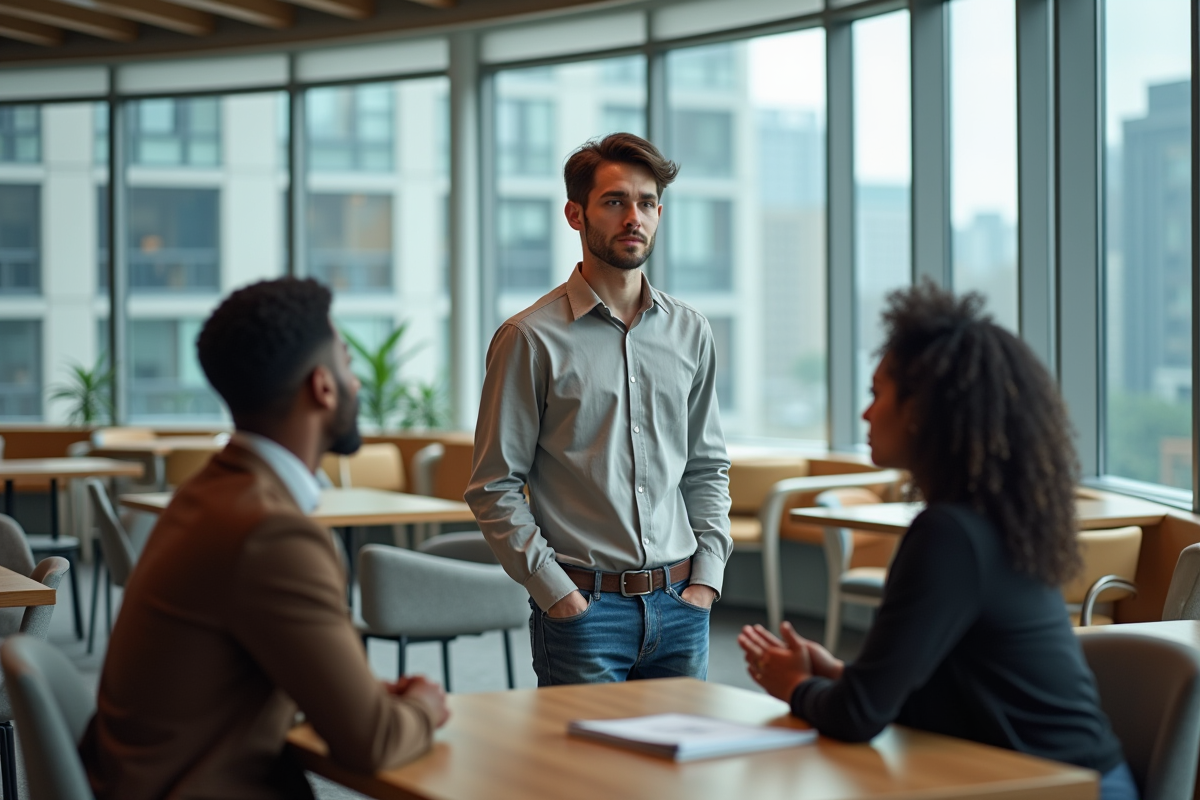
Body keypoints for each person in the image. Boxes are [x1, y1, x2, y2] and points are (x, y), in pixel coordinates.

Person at [738, 282, 1138, 800]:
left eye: (877, 394)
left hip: (1067, 790)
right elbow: (932, 691)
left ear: (920, 410)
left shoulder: (950, 534)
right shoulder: (988, 522)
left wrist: (793, 685)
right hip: (1053, 780)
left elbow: (858, 717)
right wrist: (836, 674)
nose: (865, 414)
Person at [80, 277, 449, 800]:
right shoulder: (271, 534)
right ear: (323, 386)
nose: (356, 382)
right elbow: (373, 741)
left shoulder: (207, 495)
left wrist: (356, 696)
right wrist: (425, 706)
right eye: (347, 364)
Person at [465, 132, 733, 685]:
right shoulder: (529, 339)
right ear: (575, 214)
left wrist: (706, 579)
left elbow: (706, 467)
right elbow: (494, 485)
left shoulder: (691, 332)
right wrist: (557, 594)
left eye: (647, 202)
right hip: (585, 613)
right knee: (584, 748)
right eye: (614, 201)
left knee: (683, 746)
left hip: (683, 605)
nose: (633, 217)